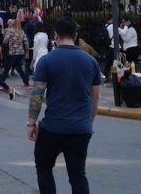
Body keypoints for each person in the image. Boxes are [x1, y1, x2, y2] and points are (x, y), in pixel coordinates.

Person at [28, 17, 102, 194]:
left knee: (44, 167)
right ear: (75, 35)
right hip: (81, 128)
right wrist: (88, 121)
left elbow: (37, 95)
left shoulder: (46, 61)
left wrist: (31, 123)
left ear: (56, 36)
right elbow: (96, 96)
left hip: (53, 127)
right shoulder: (91, 62)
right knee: (78, 175)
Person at [1, 19, 31, 88]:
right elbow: (26, 43)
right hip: (21, 53)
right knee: (19, 68)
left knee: (6, 68)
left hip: (12, 52)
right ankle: (26, 82)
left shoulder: (10, 31)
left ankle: (1, 83)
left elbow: (5, 41)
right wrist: (27, 51)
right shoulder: (22, 32)